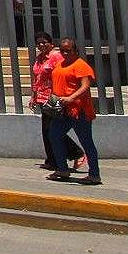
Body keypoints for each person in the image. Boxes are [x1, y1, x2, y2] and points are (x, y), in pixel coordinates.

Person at [46, 37, 101, 185]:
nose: (65, 54)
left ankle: (94, 174)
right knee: (54, 135)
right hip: (62, 110)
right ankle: (62, 169)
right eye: (62, 51)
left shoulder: (80, 65)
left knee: (86, 141)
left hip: (79, 110)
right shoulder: (60, 64)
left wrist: (71, 98)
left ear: (75, 50)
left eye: (68, 51)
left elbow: (85, 86)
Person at [31, 32, 83, 172]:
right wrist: (33, 96)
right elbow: (37, 78)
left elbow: (62, 74)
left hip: (53, 97)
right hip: (42, 97)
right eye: (39, 43)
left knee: (51, 130)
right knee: (46, 131)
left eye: (44, 42)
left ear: (51, 43)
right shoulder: (39, 58)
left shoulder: (55, 56)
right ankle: (52, 160)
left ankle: (76, 153)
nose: (41, 45)